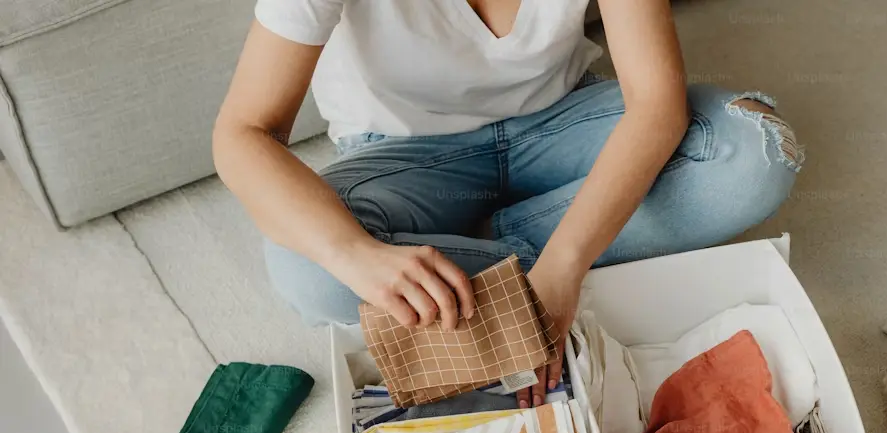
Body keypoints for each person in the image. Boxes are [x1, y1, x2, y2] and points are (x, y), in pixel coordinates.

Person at [213, 0, 803, 407]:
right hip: (405, 155)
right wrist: (355, 255)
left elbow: (655, 107)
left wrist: (565, 266)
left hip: (562, 121)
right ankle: (541, 243)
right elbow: (243, 134)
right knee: (311, 270)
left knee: (754, 152)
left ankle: (490, 247)